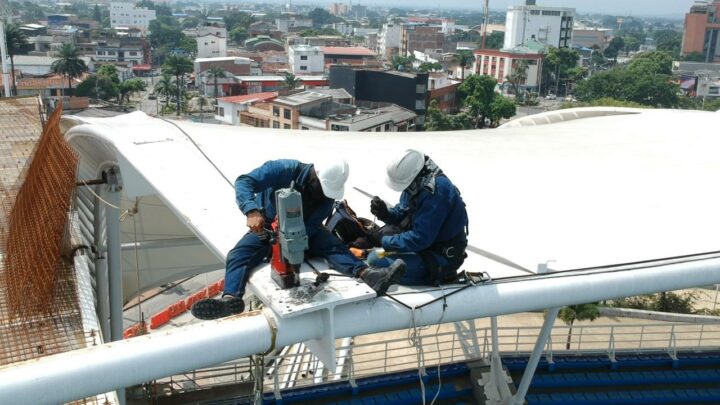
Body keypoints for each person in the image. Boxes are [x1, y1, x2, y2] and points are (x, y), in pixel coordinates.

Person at [191, 159, 406, 320]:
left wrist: (296, 246)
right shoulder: (284, 170)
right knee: (239, 255)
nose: (325, 196)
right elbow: (244, 182)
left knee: (333, 246)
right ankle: (231, 299)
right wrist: (251, 211)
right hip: (267, 227)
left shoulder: (327, 199)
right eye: (323, 190)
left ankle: (368, 274)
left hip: (304, 231)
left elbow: (313, 226)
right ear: (314, 176)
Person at [366, 149, 468, 285]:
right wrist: (385, 214)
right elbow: (403, 210)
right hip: (426, 248)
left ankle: (441, 274)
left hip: (439, 256)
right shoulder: (418, 183)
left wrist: (385, 241)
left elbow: (420, 238)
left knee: (375, 259)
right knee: (376, 253)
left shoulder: (437, 193)